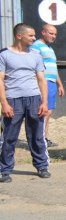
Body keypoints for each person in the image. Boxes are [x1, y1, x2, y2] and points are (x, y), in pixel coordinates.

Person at [0, 23, 51, 182]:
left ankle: (42, 166)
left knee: (36, 135)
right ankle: (5, 170)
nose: (34, 38)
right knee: (9, 136)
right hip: (13, 100)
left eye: (34, 35)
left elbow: (42, 80)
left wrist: (44, 103)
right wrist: (4, 104)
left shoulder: (35, 55)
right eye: (31, 36)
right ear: (19, 36)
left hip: (33, 99)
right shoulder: (4, 54)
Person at [30, 24, 65, 147]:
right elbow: (33, 66)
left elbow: (53, 68)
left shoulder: (49, 48)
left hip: (51, 82)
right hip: (43, 82)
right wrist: (38, 84)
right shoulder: (36, 47)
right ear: (43, 32)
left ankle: (43, 138)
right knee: (44, 111)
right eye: (51, 33)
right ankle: (38, 139)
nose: (53, 36)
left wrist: (60, 84)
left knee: (48, 112)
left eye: (55, 34)